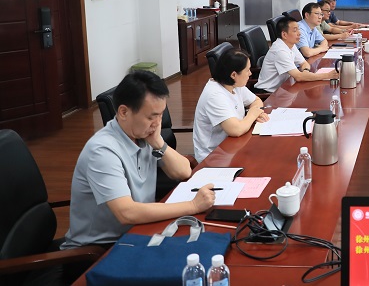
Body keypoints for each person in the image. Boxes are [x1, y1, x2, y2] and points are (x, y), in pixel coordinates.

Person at [62, 71, 215, 249]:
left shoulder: (143, 136)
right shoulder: (102, 151)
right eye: (151, 117)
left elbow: (184, 172)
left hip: (139, 231)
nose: (157, 123)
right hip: (100, 248)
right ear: (124, 112)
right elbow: (127, 213)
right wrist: (193, 205)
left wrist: (158, 143)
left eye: (161, 115)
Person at [193, 49, 268, 163]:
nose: (250, 73)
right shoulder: (214, 95)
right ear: (233, 75)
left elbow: (256, 101)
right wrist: (252, 114)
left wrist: (255, 112)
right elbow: (235, 130)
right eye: (247, 70)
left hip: (234, 145)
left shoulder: (234, 84)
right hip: (213, 156)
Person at [255, 16, 339, 92]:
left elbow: (304, 63)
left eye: (299, 29)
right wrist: (328, 75)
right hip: (268, 92)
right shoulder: (280, 51)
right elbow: (299, 77)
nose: (299, 33)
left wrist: (305, 71)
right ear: (284, 34)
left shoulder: (290, 44)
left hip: (283, 88)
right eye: (295, 30)